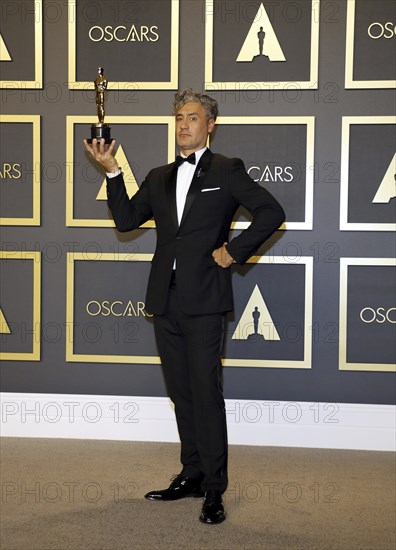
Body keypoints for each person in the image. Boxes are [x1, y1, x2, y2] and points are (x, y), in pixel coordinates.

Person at [83, 89, 285, 524]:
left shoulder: (228, 170)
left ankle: (214, 488)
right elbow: (126, 220)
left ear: (210, 124)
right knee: (182, 393)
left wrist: (235, 250)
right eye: (178, 118)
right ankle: (191, 474)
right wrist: (113, 170)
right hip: (165, 298)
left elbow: (271, 211)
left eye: (192, 118)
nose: (183, 125)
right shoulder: (158, 176)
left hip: (206, 299)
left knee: (206, 393)